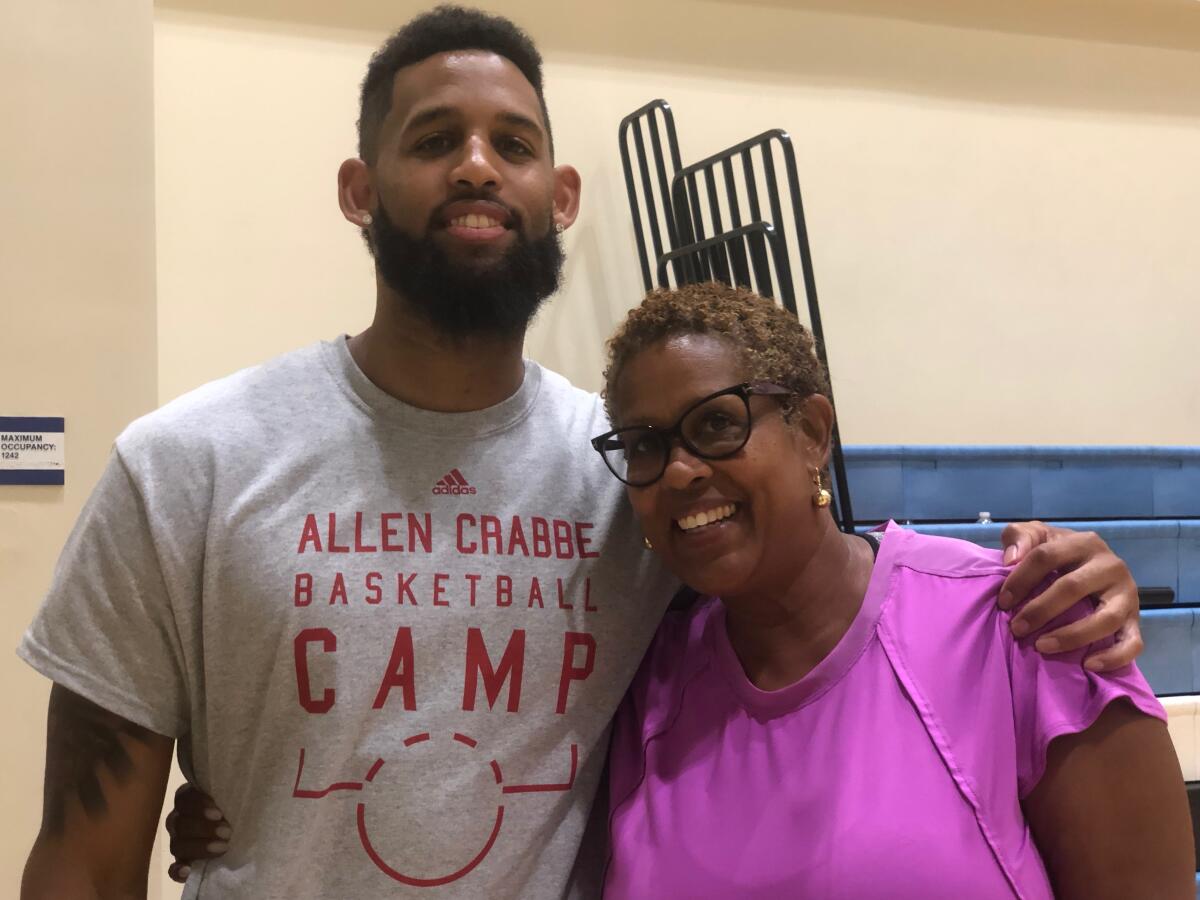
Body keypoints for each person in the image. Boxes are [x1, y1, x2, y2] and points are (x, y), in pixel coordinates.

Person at [18, 6, 1145, 899]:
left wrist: (1064, 574)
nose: (474, 166)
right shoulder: (186, 467)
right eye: (432, 140)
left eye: (512, 144)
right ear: (358, 192)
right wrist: (238, 812)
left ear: (559, 200)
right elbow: (81, 856)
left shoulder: (628, 481)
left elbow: (824, 597)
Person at [594, 283, 1192, 899]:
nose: (679, 470)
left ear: (813, 433)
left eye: (718, 422)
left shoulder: (1024, 621)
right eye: (645, 445)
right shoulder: (644, 683)